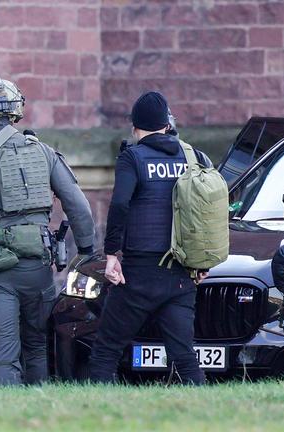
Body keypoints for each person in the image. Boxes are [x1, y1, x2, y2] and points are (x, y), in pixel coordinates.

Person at [0, 78, 95, 386]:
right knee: (37, 346)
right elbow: (80, 207)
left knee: (4, 351)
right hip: (38, 265)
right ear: (16, 111)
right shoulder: (45, 153)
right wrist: (88, 253)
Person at [88, 91, 211, 385]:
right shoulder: (195, 157)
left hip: (139, 274)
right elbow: (210, 211)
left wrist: (111, 255)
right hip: (181, 275)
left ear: (135, 126)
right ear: (167, 125)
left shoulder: (133, 157)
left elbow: (119, 205)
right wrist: (204, 261)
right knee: (185, 358)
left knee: (105, 352)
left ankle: (90, 414)